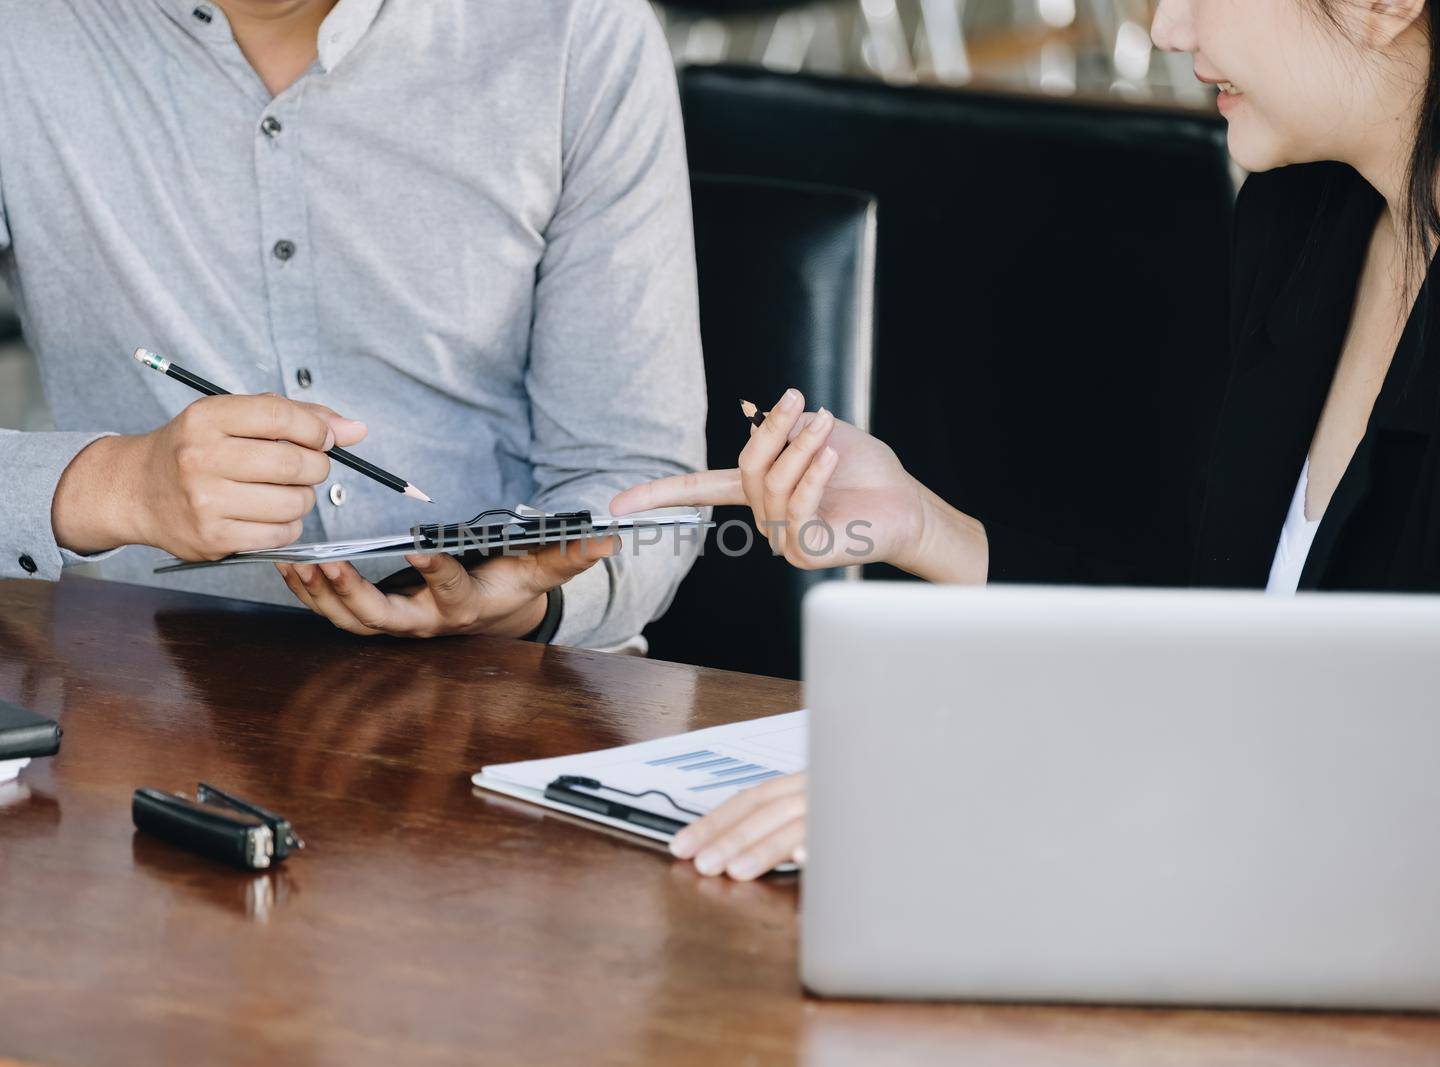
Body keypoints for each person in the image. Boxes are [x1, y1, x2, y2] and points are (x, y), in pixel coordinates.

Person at [612, 0, 1440, 879]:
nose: (1168, 31)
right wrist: (926, 528)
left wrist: (999, 782)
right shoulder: (1305, 217)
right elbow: (1225, 660)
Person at [0, 0, 705, 649]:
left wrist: (526, 602)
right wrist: (117, 485)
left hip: (519, 700)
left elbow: (639, 480)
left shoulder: (576, 27)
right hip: (141, 709)